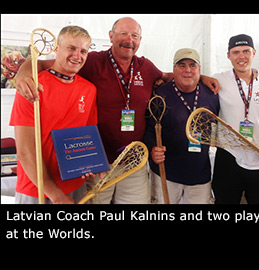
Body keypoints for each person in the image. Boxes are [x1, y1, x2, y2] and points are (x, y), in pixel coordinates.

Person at [15, 17, 220, 204]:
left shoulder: (145, 67)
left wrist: (201, 77)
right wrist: (23, 75)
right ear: (111, 36)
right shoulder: (92, 61)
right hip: (98, 164)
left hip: (133, 161)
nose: (129, 40)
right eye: (123, 34)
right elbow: (44, 64)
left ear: (140, 40)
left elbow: (173, 75)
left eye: (134, 35)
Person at [10, 25, 97, 204]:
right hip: (37, 190)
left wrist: (90, 164)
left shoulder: (89, 89)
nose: (77, 55)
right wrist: (56, 195)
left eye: (83, 51)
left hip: (75, 186)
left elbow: (87, 136)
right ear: (57, 49)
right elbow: (25, 151)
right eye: (71, 48)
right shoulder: (33, 87)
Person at [212, 34, 259, 204]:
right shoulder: (218, 79)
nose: (241, 57)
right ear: (228, 55)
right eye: (236, 52)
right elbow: (193, 79)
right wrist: (203, 77)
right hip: (228, 157)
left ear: (254, 52)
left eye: (246, 51)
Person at [144, 48, 220, 204]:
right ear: (174, 69)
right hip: (166, 174)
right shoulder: (160, 94)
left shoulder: (212, 94)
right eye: (182, 65)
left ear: (199, 69)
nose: (187, 70)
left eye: (193, 65)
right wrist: (152, 149)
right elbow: (149, 129)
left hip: (200, 175)